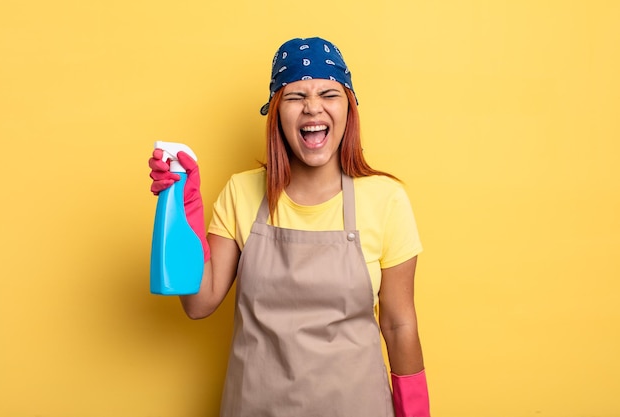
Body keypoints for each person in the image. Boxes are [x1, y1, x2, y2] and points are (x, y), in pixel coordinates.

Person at [149, 37, 430, 417]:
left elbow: (398, 326)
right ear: (277, 111)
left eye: (329, 93)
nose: (313, 107)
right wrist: (184, 209)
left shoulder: (386, 200)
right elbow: (199, 304)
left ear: (349, 106)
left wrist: (415, 412)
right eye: (296, 96)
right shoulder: (241, 192)